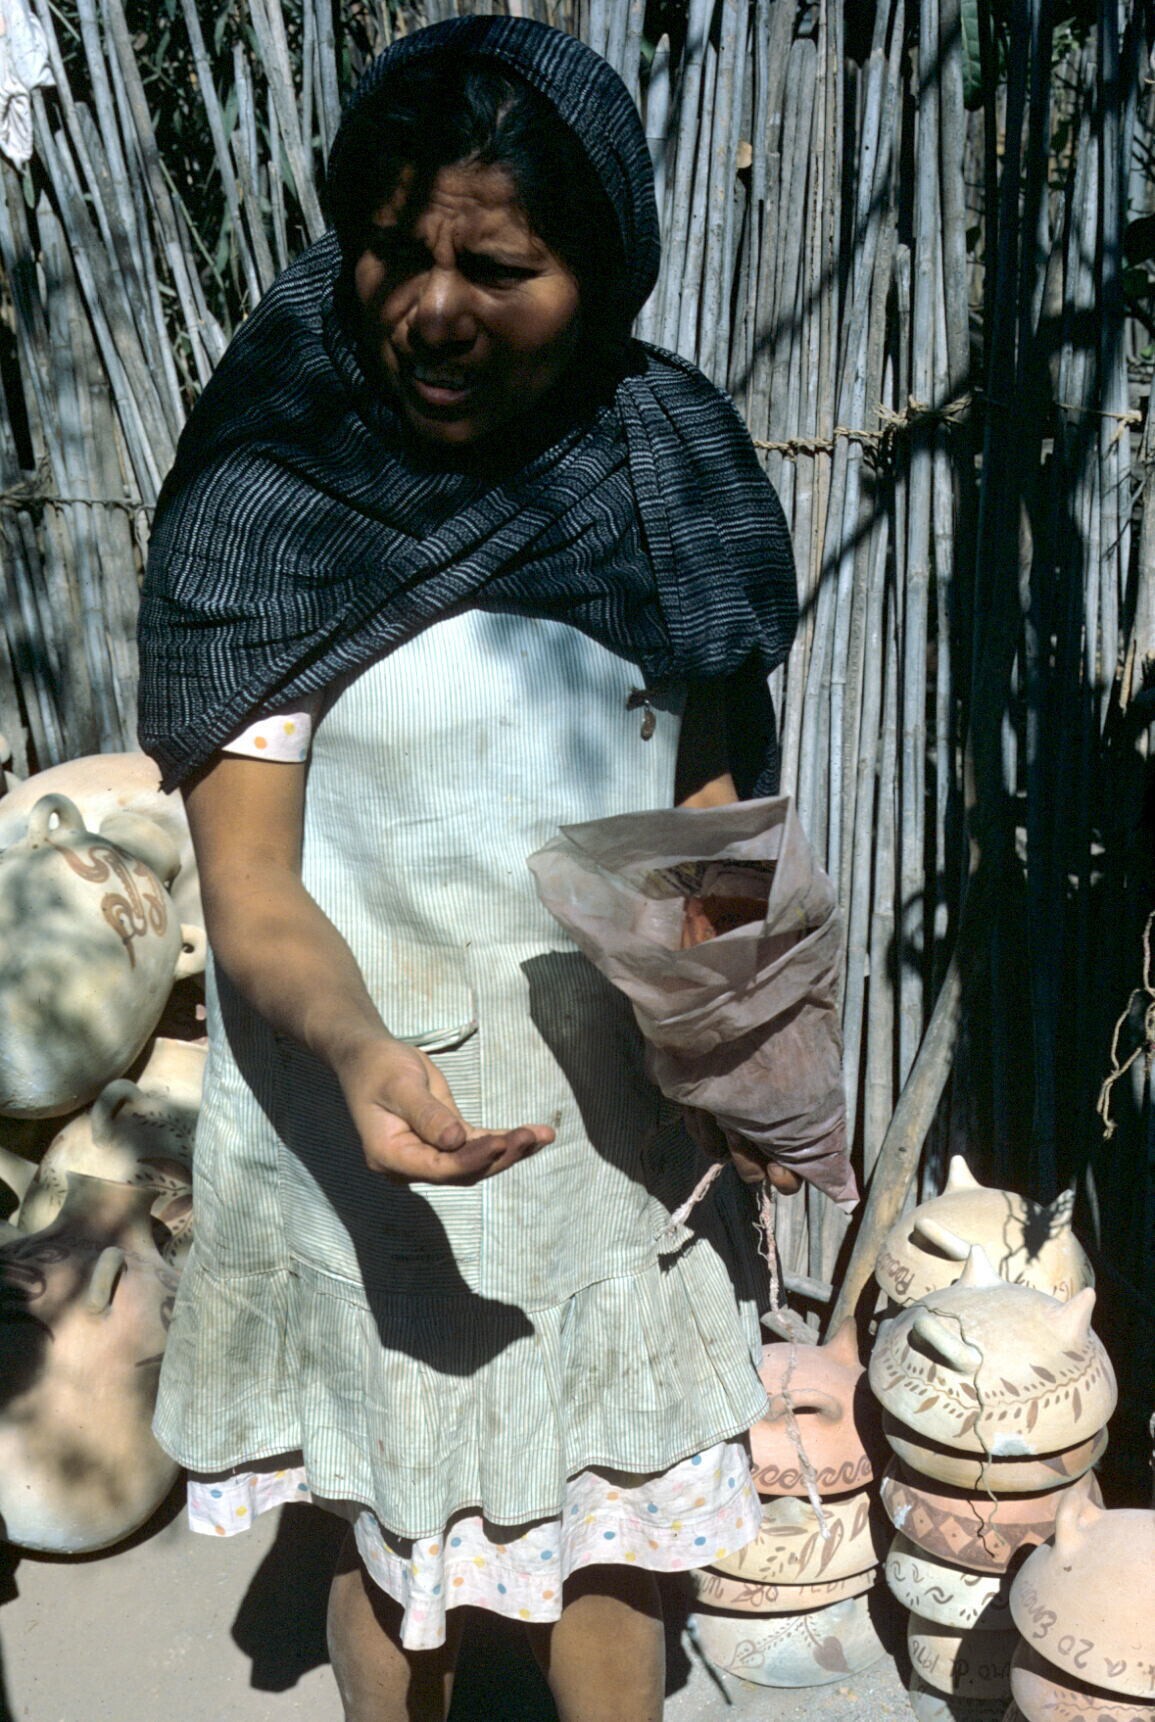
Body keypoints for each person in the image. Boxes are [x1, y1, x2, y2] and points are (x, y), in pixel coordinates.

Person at [137, 17, 799, 1722]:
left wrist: (740, 1041)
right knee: (395, 1540)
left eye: (499, 269)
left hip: (609, 1139)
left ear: (604, 274)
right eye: (393, 249)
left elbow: (710, 813)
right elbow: (252, 889)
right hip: (360, 1112)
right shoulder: (278, 495)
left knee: (615, 1541)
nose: (432, 310)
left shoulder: (670, 478)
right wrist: (360, 1050)